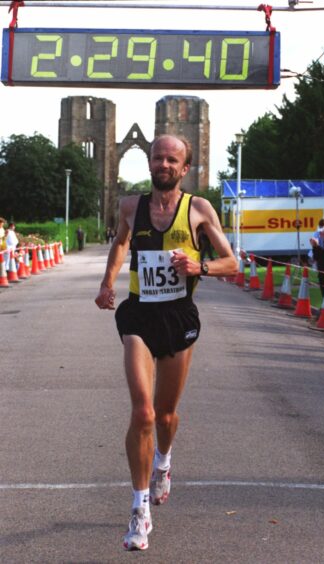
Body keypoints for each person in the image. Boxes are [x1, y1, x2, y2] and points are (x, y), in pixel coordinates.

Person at [94, 134, 238, 552]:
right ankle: (140, 510)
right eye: (158, 157)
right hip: (139, 313)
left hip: (179, 316)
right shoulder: (129, 206)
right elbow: (121, 242)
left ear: (184, 167)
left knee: (166, 415)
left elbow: (232, 262)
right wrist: (107, 284)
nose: (163, 164)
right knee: (143, 409)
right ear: (150, 162)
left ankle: (164, 461)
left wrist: (200, 265)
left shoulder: (198, 209)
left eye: (172, 159)